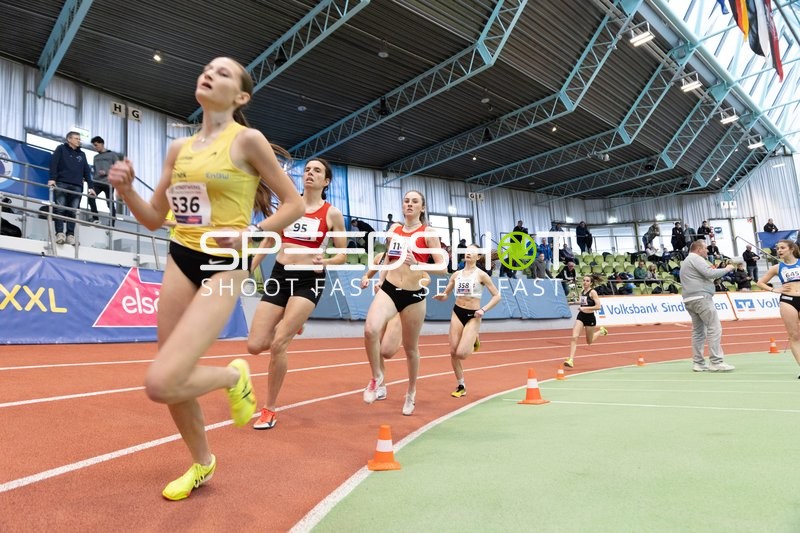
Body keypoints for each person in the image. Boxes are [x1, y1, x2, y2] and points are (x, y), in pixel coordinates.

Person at [107, 56, 304, 500]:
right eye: (207, 68)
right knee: (172, 373)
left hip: (226, 262)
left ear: (240, 96)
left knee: (161, 380)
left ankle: (232, 378)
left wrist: (253, 234)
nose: (210, 73)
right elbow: (156, 219)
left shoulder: (248, 140)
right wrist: (126, 190)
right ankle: (202, 463)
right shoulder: (179, 150)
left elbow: (293, 205)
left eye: (224, 72)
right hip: (182, 254)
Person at [247, 157, 346, 430]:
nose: (310, 173)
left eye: (317, 171)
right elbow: (268, 240)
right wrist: (248, 269)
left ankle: (269, 408)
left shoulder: (331, 214)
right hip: (280, 275)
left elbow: (342, 253)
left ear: (326, 181)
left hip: (309, 280)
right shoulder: (289, 207)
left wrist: (325, 261)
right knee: (255, 345)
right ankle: (293, 322)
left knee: (279, 343)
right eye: (307, 169)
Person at [361, 190, 446, 415]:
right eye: (406, 201)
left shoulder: (428, 233)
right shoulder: (393, 230)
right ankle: (377, 377)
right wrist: (377, 279)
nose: (409, 204)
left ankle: (411, 393)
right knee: (370, 330)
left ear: (422, 207)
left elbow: (443, 268)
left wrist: (416, 263)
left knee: (410, 349)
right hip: (390, 289)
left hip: (414, 295)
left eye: (414, 201)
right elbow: (388, 257)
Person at [433, 245, 501, 397]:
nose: (468, 253)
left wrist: (483, 310)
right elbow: (446, 294)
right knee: (453, 352)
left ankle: (475, 337)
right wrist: (442, 296)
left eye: (472, 252)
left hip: (474, 315)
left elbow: (497, 296)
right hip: (457, 312)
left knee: (462, 354)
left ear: (477, 257)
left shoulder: (482, 275)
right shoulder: (456, 274)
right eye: (467, 251)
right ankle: (461, 384)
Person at [679, 239, 735, 372]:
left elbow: (705, 277)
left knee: (698, 332)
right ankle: (716, 362)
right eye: (705, 248)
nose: (707, 250)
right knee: (714, 328)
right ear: (698, 249)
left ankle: (698, 363)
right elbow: (710, 273)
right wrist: (727, 269)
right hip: (701, 298)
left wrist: (713, 280)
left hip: (690, 298)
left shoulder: (687, 261)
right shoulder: (696, 259)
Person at [756, 240, 800, 375]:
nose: (779, 250)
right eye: (777, 248)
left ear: (791, 249)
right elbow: (760, 282)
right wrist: (775, 289)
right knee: (794, 336)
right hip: (788, 300)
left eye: (782, 248)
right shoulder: (776, 268)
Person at [48, 131, 96, 245]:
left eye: (79, 139)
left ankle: (70, 235)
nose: (79, 141)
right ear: (69, 139)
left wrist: (91, 186)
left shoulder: (82, 154)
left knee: (73, 212)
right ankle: (59, 233)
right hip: (61, 183)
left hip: (77, 186)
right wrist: (52, 178)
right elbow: (54, 164)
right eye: (76, 138)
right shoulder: (60, 149)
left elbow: (87, 171)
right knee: (60, 209)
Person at [563, 274, 609, 369]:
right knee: (574, 336)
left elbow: (598, 306)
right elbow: (581, 303)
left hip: (590, 318)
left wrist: (586, 309)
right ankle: (571, 360)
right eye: (584, 280)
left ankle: (601, 331)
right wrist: (573, 302)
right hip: (581, 316)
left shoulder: (593, 292)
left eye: (587, 281)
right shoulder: (582, 291)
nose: (585, 282)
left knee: (589, 341)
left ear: (591, 283)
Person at [88, 136, 122, 224]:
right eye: (94, 146)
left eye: (96, 145)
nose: (95, 147)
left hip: (109, 183)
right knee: (90, 197)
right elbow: (94, 170)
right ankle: (95, 218)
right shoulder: (95, 157)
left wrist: (106, 172)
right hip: (97, 182)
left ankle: (112, 223)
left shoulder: (112, 155)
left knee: (109, 203)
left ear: (102, 144)